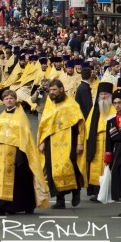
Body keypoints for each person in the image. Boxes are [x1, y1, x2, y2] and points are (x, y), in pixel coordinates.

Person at [0, 90, 49, 214]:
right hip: (1, 154)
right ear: (3, 101)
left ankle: (18, 206)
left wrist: (20, 155)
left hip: (18, 153)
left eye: (11, 98)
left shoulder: (21, 117)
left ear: (15, 100)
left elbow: (25, 137)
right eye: (6, 99)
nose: (9, 100)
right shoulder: (1, 116)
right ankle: (2, 205)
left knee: (19, 181)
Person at [37, 79, 85, 209]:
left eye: (54, 90)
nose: (52, 92)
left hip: (69, 140)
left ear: (61, 89)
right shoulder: (49, 103)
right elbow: (44, 124)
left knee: (69, 166)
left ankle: (76, 191)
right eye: (50, 90)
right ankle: (60, 199)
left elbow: (80, 125)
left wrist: (79, 143)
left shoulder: (71, 104)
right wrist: (42, 141)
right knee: (53, 170)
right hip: (51, 141)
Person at [85, 82, 114, 201]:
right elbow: (88, 126)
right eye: (101, 94)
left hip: (110, 142)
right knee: (95, 167)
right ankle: (96, 192)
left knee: (109, 167)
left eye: (106, 94)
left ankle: (110, 192)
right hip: (96, 142)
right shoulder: (95, 109)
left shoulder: (114, 108)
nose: (103, 97)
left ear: (110, 95)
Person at [105, 89, 121, 215]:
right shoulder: (111, 120)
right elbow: (108, 141)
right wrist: (108, 156)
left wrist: (119, 135)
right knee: (119, 179)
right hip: (117, 152)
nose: (117, 105)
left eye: (120, 102)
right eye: (115, 103)